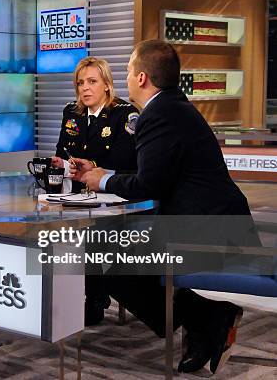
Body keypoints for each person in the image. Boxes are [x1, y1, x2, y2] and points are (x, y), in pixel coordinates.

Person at [72, 40, 250, 374]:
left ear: (141, 78)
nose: (125, 78)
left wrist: (103, 181)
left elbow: (150, 184)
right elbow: (156, 174)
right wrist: (104, 174)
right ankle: (204, 318)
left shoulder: (157, 114)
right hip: (213, 220)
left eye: (126, 71)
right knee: (105, 241)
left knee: (102, 252)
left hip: (207, 228)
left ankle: (207, 315)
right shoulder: (171, 107)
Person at [51, 56, 139, 327]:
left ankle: (96, 297)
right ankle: (63, 297)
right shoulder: (72, 113)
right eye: (80, 83)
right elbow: (62, 152)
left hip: (115, 197)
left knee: (93, 233)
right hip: (78, 194)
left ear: (107, 85)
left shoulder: (125, 114)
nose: (85, 89)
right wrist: (63, 165)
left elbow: (129, 164)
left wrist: (95, 169)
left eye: (92, 82)